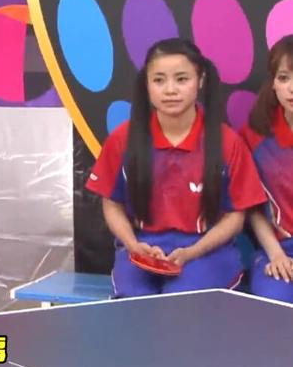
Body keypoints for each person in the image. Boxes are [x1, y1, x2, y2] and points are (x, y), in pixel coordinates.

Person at [85, 38, 266, 297]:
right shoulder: (122, 139)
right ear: (146, 84)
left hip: (206, 251)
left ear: (200, 80)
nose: (170, 90)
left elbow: (235, 217)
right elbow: (112, 203)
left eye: (182, 79)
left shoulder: (228, 142)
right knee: (134, 304)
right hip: (142, 247)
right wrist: (133, 244)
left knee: (182, 304)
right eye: (159, 80)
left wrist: (193, 252)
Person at [240, 36, 293, 302]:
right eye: (284, 78)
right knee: (274, 303)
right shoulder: (254, 137)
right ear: (273, 83)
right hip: (280, 249)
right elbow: (253, 207)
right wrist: (276, 255)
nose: (291, 88)